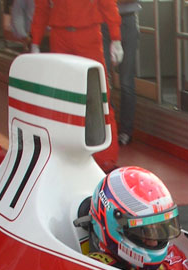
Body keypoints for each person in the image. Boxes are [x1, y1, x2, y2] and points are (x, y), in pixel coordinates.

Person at [31, 0, 123, 173]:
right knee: (61, 101)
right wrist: (35, 41)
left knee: (99, 98)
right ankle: (64, 155)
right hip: (60, 37)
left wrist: (116, 37)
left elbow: (107, 3)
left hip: (88, 36)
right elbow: (41, 7)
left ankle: (106, 160)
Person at [88, 166, 188, 270]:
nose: (154, 243)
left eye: (159, 230)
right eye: (145, 232)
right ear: (113, 226)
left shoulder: (174, 260)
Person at [102, 0, 141, 146]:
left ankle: (126, 130)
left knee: (126, 82)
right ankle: (108, 128)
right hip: (103, 21)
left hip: (128, 20)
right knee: (103, 79)